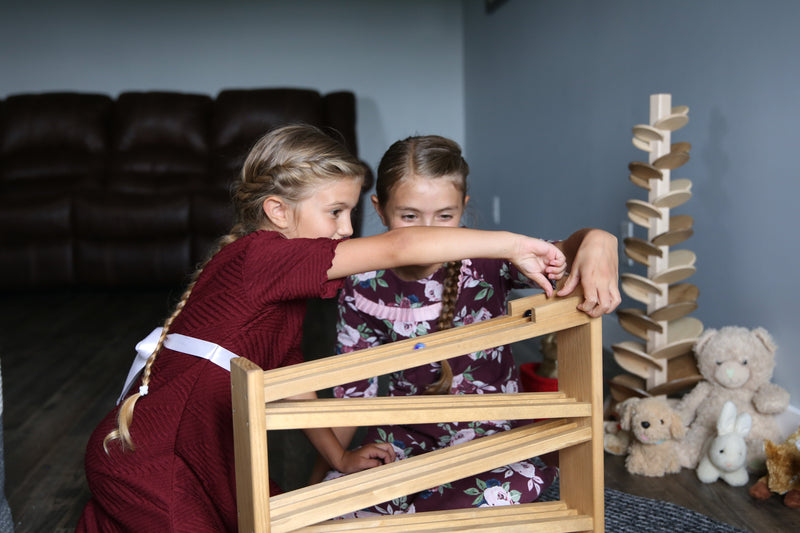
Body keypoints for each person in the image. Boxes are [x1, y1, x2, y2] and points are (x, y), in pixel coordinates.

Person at [76, 125, 568, 532]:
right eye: (335, 212)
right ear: (277, 212)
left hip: (198, 455)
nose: (347, 228)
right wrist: (514, 243)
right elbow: (398, 247)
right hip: (154, 458)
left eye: (350, 212)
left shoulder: (278, 285)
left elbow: (291, 383)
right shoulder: (261, 257)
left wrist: (341, 456)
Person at [314, 134, 620, 515]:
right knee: (342, 502)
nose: (426, 232)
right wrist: (324, 482)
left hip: (489, 441)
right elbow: (353, 392)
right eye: (409, 216)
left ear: (463, 208)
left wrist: (600, 240)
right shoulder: (362, 282)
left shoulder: (491, 259)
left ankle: (424, 516)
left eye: (445, 215)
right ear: (378, 208)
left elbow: (564, 253)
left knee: (512, 484)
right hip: (406, 438)